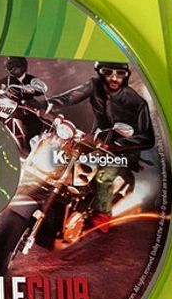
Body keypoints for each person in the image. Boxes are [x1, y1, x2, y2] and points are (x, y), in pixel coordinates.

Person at [49, 61, 154, 229]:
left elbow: (147, 138)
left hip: (123, 150)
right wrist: (47, 104)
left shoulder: (138, 103)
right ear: (99, 72)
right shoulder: (94, 85)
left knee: (103, 176)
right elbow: (69, 97)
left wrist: (119, 144)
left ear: (126, 76)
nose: (114, 78)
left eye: (120, 74)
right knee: (64, 153)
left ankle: (103, 214)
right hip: (97, 140)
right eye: (107, 72)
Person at [0, 57, 48, 148]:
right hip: (8, 109)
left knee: (34, 127)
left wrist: (33, 89)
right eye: (10, 67)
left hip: (26, 110)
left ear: (22, 66)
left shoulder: (31, 80)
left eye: (15, 66)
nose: (12, 69)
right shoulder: (5, 81)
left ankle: (30, 148)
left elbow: (42, 89)